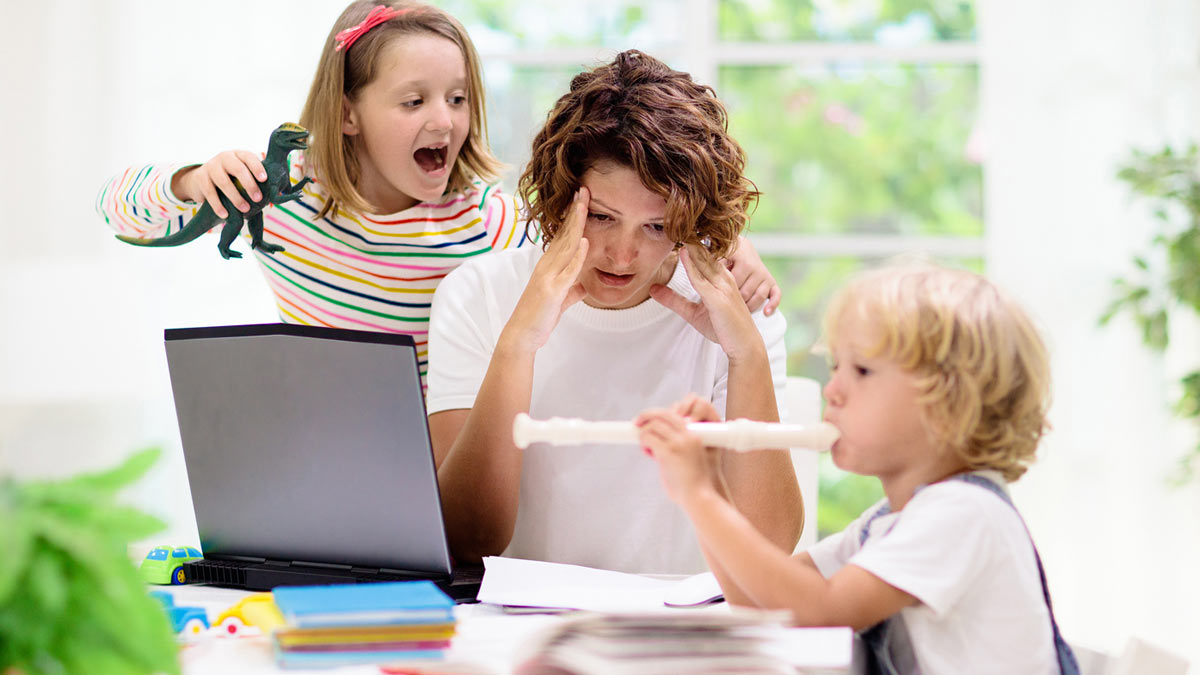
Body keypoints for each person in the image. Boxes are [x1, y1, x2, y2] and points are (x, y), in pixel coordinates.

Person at [93, 2, 783, 386]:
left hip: (437, 471)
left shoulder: (490, 221)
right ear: (348, 113)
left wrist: (729, 242)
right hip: (323, 454)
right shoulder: (281, 195)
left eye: (457, 98)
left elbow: (628, 217)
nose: (444, 120)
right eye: (413, 100)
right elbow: (119, 210)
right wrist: (191, 182)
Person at [426, 50, 803, 576]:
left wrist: (746, 354)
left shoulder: (734, 310)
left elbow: (769, 547)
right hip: (519, 632)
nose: (622, 255)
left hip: (678, 629)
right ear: (561, 199)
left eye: (655, 226)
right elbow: (469, 537)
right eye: (601, 217)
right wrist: (518, 345)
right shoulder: (477, 295)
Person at [637, 262, 1080, 674]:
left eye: (863, 371)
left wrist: (696, 494)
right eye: (836, 367)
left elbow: (821, 611)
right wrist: (710, 488)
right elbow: (760, 606)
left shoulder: (962, 514)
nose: (834, 389)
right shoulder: (889, 523)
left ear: (950, 404)